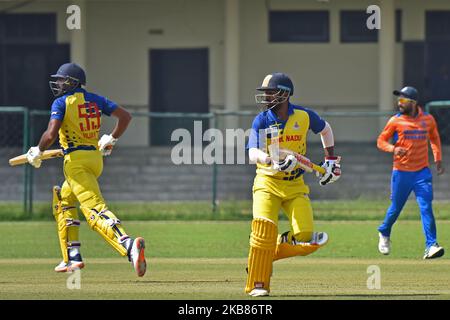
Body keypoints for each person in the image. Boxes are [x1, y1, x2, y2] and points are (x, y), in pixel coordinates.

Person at [26, 63, 147, 276]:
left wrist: (37, 149)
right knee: (64, 200)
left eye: (62, 80)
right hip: (94, 157)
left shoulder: (61, 102)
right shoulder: (96, 99)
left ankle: (128, 246)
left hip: (76, 162)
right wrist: (111, 138)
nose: (58, 83)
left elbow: (51, 134)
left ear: (72, 82)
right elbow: (125, 117)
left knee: (93, 209)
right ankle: (71, 257)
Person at [245, 72, 341, 297]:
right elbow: (251, 153)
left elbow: (326, 130)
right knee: (263, 230)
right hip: (267, 182)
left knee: (306, 237)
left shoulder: (304, 116)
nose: (266, 96)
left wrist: (329, 160)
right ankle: (258, 283)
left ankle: (263, 256)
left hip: (295, 184)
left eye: (270, 91)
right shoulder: (262, 119)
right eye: (265, 92)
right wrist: (270, 159)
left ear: (284, 94)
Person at [377, 86, 445, 260]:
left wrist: (437, 158)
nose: (399, 103)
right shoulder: (395, 121)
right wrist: (394, 148)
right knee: (395, 209)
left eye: (403, 100)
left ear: (413, 103)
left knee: (426, 207)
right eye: (398, 100)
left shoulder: (428, 119)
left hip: (422, 172)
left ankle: (431, 246)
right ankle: (384, 231)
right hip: (401, 173)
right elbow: (381, 141)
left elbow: (435, 138)